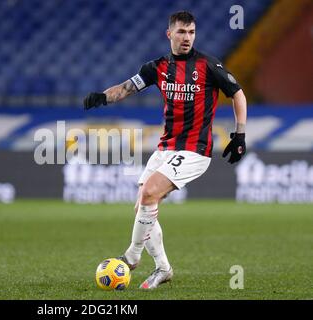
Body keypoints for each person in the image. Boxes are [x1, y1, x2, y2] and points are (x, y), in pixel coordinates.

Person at [83, 11, 247, 289]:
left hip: (195, 149)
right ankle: (163, 269)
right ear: (169, 33)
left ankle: (131, 257)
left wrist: (240, 133)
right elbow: (126, 88)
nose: (187, 38)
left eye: (192, 32)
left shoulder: (208, 65)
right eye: (182, 32)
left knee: (148, 193)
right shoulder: (156, 67)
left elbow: (238, 94)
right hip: (166, 147)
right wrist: (103, 96)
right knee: (143, 206)